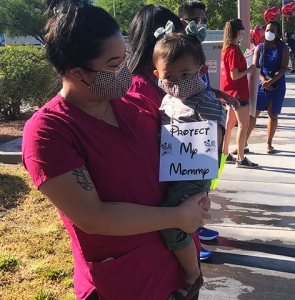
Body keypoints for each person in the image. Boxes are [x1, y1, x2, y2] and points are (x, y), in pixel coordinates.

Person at [22, 1, 211, 299]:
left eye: (125, 59)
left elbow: (181, 160)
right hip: (126, 283)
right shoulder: (49, 131)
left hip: (178, 269)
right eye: (114, 65)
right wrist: (178, 217)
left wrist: (197, 195)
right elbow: (93, 217)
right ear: (78, 72)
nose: (125, 70)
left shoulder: (137, 101)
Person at [152, 22, 226, 299]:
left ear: (201, 71)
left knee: (174, 225)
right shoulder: (167, 98)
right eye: (169, 75)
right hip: (172, 168)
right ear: (157, 74)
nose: (177, 82)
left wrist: (203, 185)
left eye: (186, 74)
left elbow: (212, 140)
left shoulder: (205, 100)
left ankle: (193, 274)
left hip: (193, 172)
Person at [178, 1, 240, 250]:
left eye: (204, 20)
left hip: (205, 129)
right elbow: (177, 89)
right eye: (197, 19)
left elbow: (200, 85)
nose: (201, 24)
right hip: (187, 133)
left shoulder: (195, 48)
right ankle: (191, 241)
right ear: (183, 21)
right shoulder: (176, 51)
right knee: (188, 189)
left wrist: (221, 95)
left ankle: (197, 229)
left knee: (203, 186)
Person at [246, 21, 289, 154]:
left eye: (273, 30)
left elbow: (283, 68)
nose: (269, 32)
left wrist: (271, 81)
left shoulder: (284, 48)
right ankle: (243, 141)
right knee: (253, 115)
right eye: (268, 29)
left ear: (277, 33)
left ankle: (269, 143)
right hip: (260, 84)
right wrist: (263, 80)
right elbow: (255, 67)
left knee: (273, 115)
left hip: (277, 84)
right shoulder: (259, 47)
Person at [220, 18, 258, 168]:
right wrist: (250, 69)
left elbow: (231, 70)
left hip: (229, 93)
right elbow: (235, 75)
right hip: (239, 93)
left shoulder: (227, 49)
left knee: (229, 124)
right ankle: (241, 158)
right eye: (242, 29)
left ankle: (225, 152)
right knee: (243, 125)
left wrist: (243, 59)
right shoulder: (235, 50)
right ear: (238, 31)